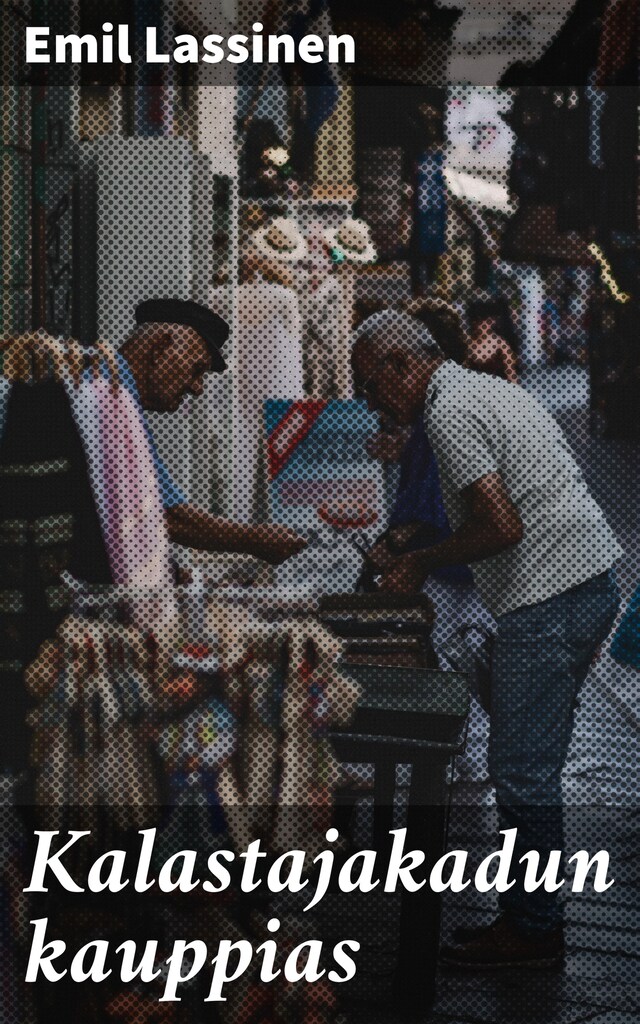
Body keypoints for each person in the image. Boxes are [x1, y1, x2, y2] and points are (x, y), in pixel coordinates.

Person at [350, 308, 622, 969]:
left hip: (552, 595)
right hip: (581, 583)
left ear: (400, 365)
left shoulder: (448, 411)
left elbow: (501, 525)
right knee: (532, 765)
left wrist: (416, 561)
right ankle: (530, 917)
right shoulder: (484, 390)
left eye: (370, 384)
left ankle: (533, 929)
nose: (369, 401)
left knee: (521, 770)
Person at [120, 297, 306, 564]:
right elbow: (166, 513)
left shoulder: (120, 399)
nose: (198, 388)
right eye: (196, 370)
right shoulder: (111, 398)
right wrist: (251, 540)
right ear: (160, 348)